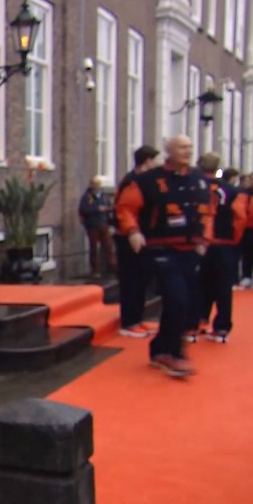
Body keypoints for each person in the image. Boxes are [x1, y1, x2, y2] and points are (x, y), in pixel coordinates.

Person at [115, 135, 213, 378]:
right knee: (176, 297)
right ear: (169, 150)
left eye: (190, 147)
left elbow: (209, 212)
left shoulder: (200, 180)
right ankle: (174, 353)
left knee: (185, 301)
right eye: (182, 147)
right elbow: (125, 207)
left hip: (189, 249)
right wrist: (133, 231)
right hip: (160, 248)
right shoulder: (148, 180)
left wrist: (205, 238)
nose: (187, 151)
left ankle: (161, 349)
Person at [196, 153, 247, 343]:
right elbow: (240, 217)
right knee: (223, 286)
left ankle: (196, 321)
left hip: (198, 242)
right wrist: (234, 239)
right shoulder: (233, 191)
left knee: (198, 283)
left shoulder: (194, 186)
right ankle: (222, 327)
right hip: (224, 242)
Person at [112, 145, 160, 338]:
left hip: (142, 236)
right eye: (154, 160)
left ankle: (137, 318)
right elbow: (126, 209)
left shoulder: (143, 181)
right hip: (130, 238)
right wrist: (132, 231)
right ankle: (129, 321)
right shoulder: (134, 182)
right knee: (132, 279)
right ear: (147, 161)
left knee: (141, 279)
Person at [79, 176, 115, 277]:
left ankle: (112, 267)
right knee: (94, 247)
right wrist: (97, 209)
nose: (96, 187)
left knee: (108, 245)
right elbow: (83, 209)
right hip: (92, 225)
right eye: (94, 185)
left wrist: (109, 217)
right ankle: (95, 269)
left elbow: (109, 208)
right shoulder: (87, 197)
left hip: (104, 224)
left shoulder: (103, 196)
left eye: (98, 185)